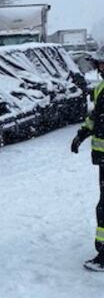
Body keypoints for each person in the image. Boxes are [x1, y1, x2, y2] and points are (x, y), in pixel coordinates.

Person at [71, 48, 104, 271]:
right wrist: (82, 133)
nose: (100, 68)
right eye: (99, 64)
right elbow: (95, 116)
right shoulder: (101, 88)